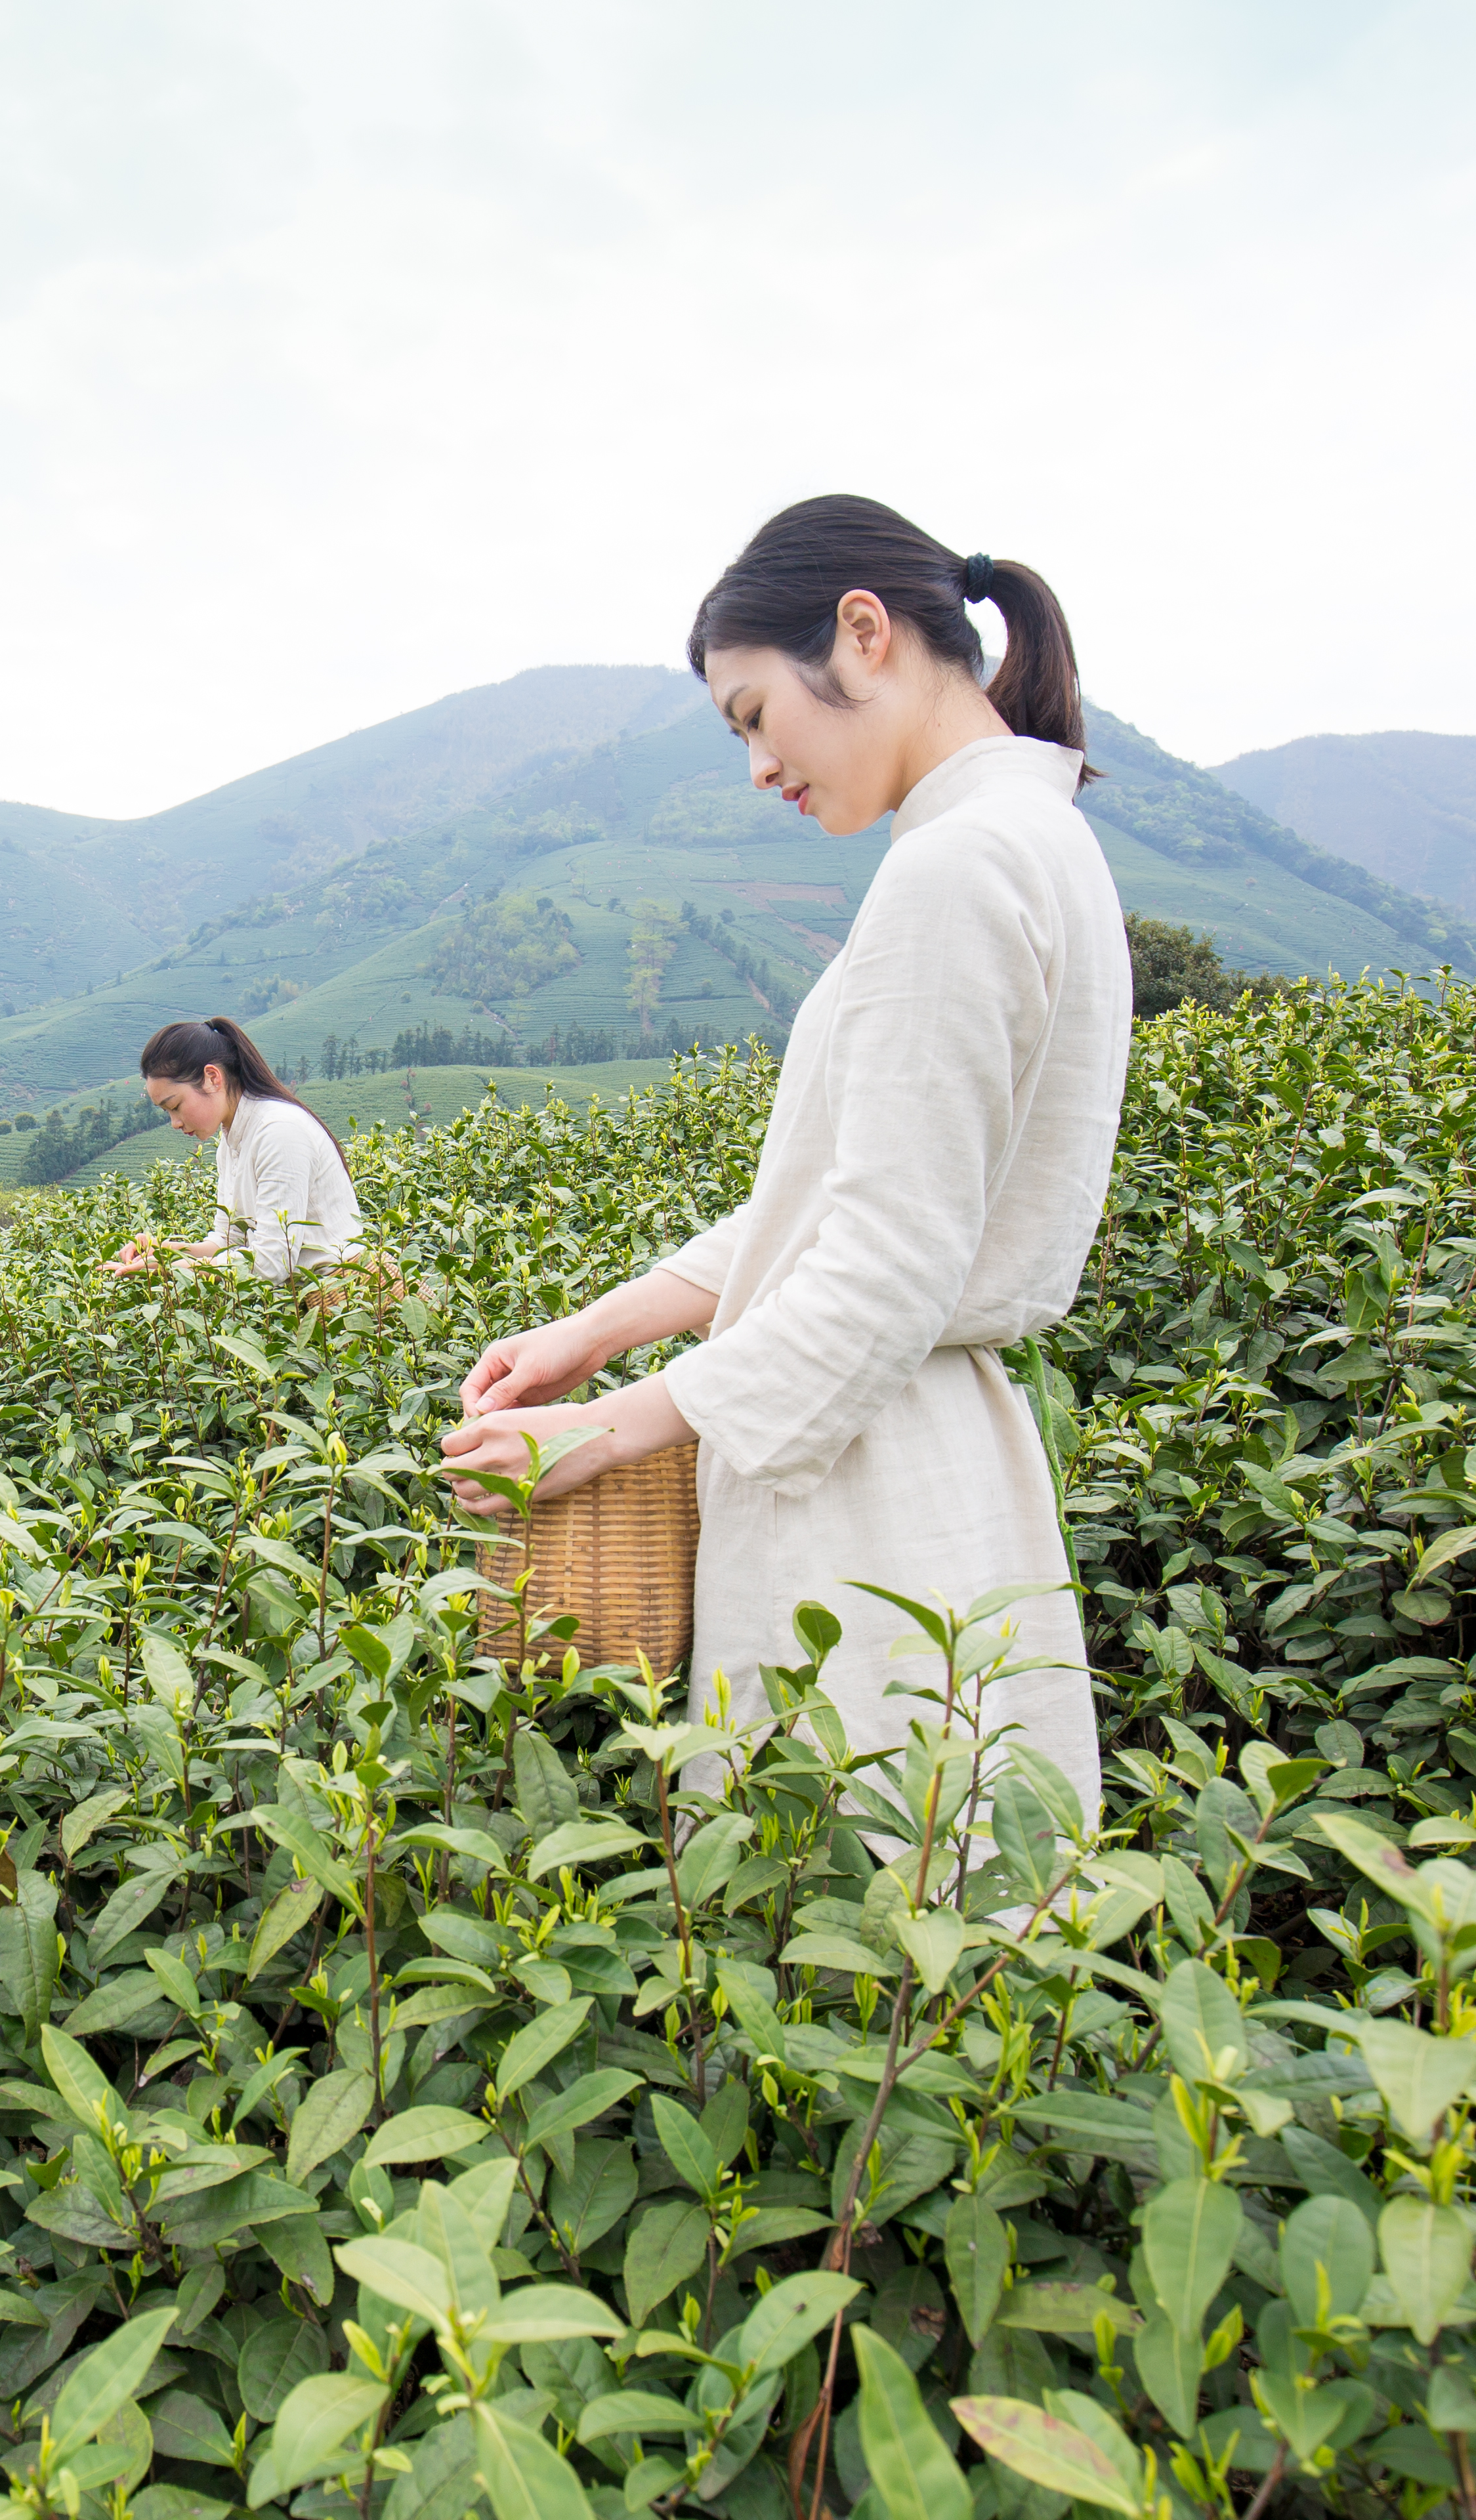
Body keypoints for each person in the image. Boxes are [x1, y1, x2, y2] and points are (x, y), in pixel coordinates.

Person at [438, 495, 1129, 1829]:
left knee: (840, 1933)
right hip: (933, 1458)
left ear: (863, 634)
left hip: (864, 1483)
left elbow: (881, 1273)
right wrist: (602, 1326)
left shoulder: (956, 871)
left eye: (755, 716)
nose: (758, 766)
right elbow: (847, 1197)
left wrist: (597, 1431)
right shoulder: (1036, 840)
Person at [103, 1016, 366, 1281]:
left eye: (175, 1106)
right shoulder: (231, 1142)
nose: (175, 1123)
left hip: (347, 1296)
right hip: (309, 1301)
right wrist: (165, 1252)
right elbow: (229, 1241)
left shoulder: (279, 1131)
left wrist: (174, 1271)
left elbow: (271, 1263)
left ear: (212, 1077)